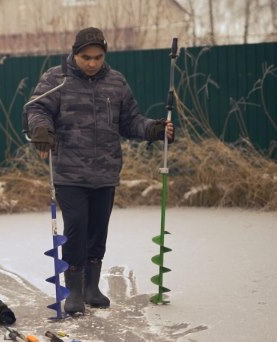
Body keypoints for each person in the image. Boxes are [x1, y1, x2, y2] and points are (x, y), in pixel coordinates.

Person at [25, 27, 175, 315]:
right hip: (69, 170)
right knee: (77, 225)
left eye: (98, 57)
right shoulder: (57, 79)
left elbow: (130, 120)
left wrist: (154, 129)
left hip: (106, 170)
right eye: (85, 57)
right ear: (74, 53)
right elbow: (37, 108)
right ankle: (74, 292)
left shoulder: (116, 82)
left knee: (98, 229)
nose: (92, 63)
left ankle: (92, 288)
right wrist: (41, 130)